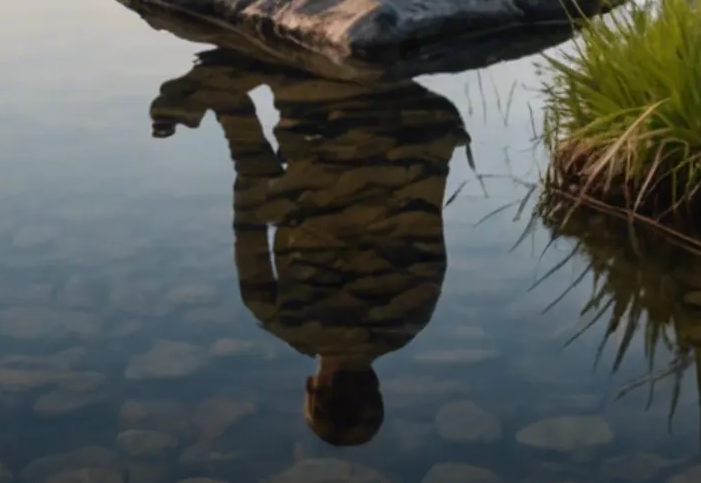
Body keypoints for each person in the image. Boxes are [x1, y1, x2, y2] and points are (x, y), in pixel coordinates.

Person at [149, 49, 468, 446]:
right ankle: (210, 91)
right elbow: (249, 202)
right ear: (314, 390)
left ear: (377, 386)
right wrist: (232, 110)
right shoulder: (282, 318)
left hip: (422, 120)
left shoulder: (413, 319)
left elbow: (426, 224)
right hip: (324, 121)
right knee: (254, 58)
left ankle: (213, 90)